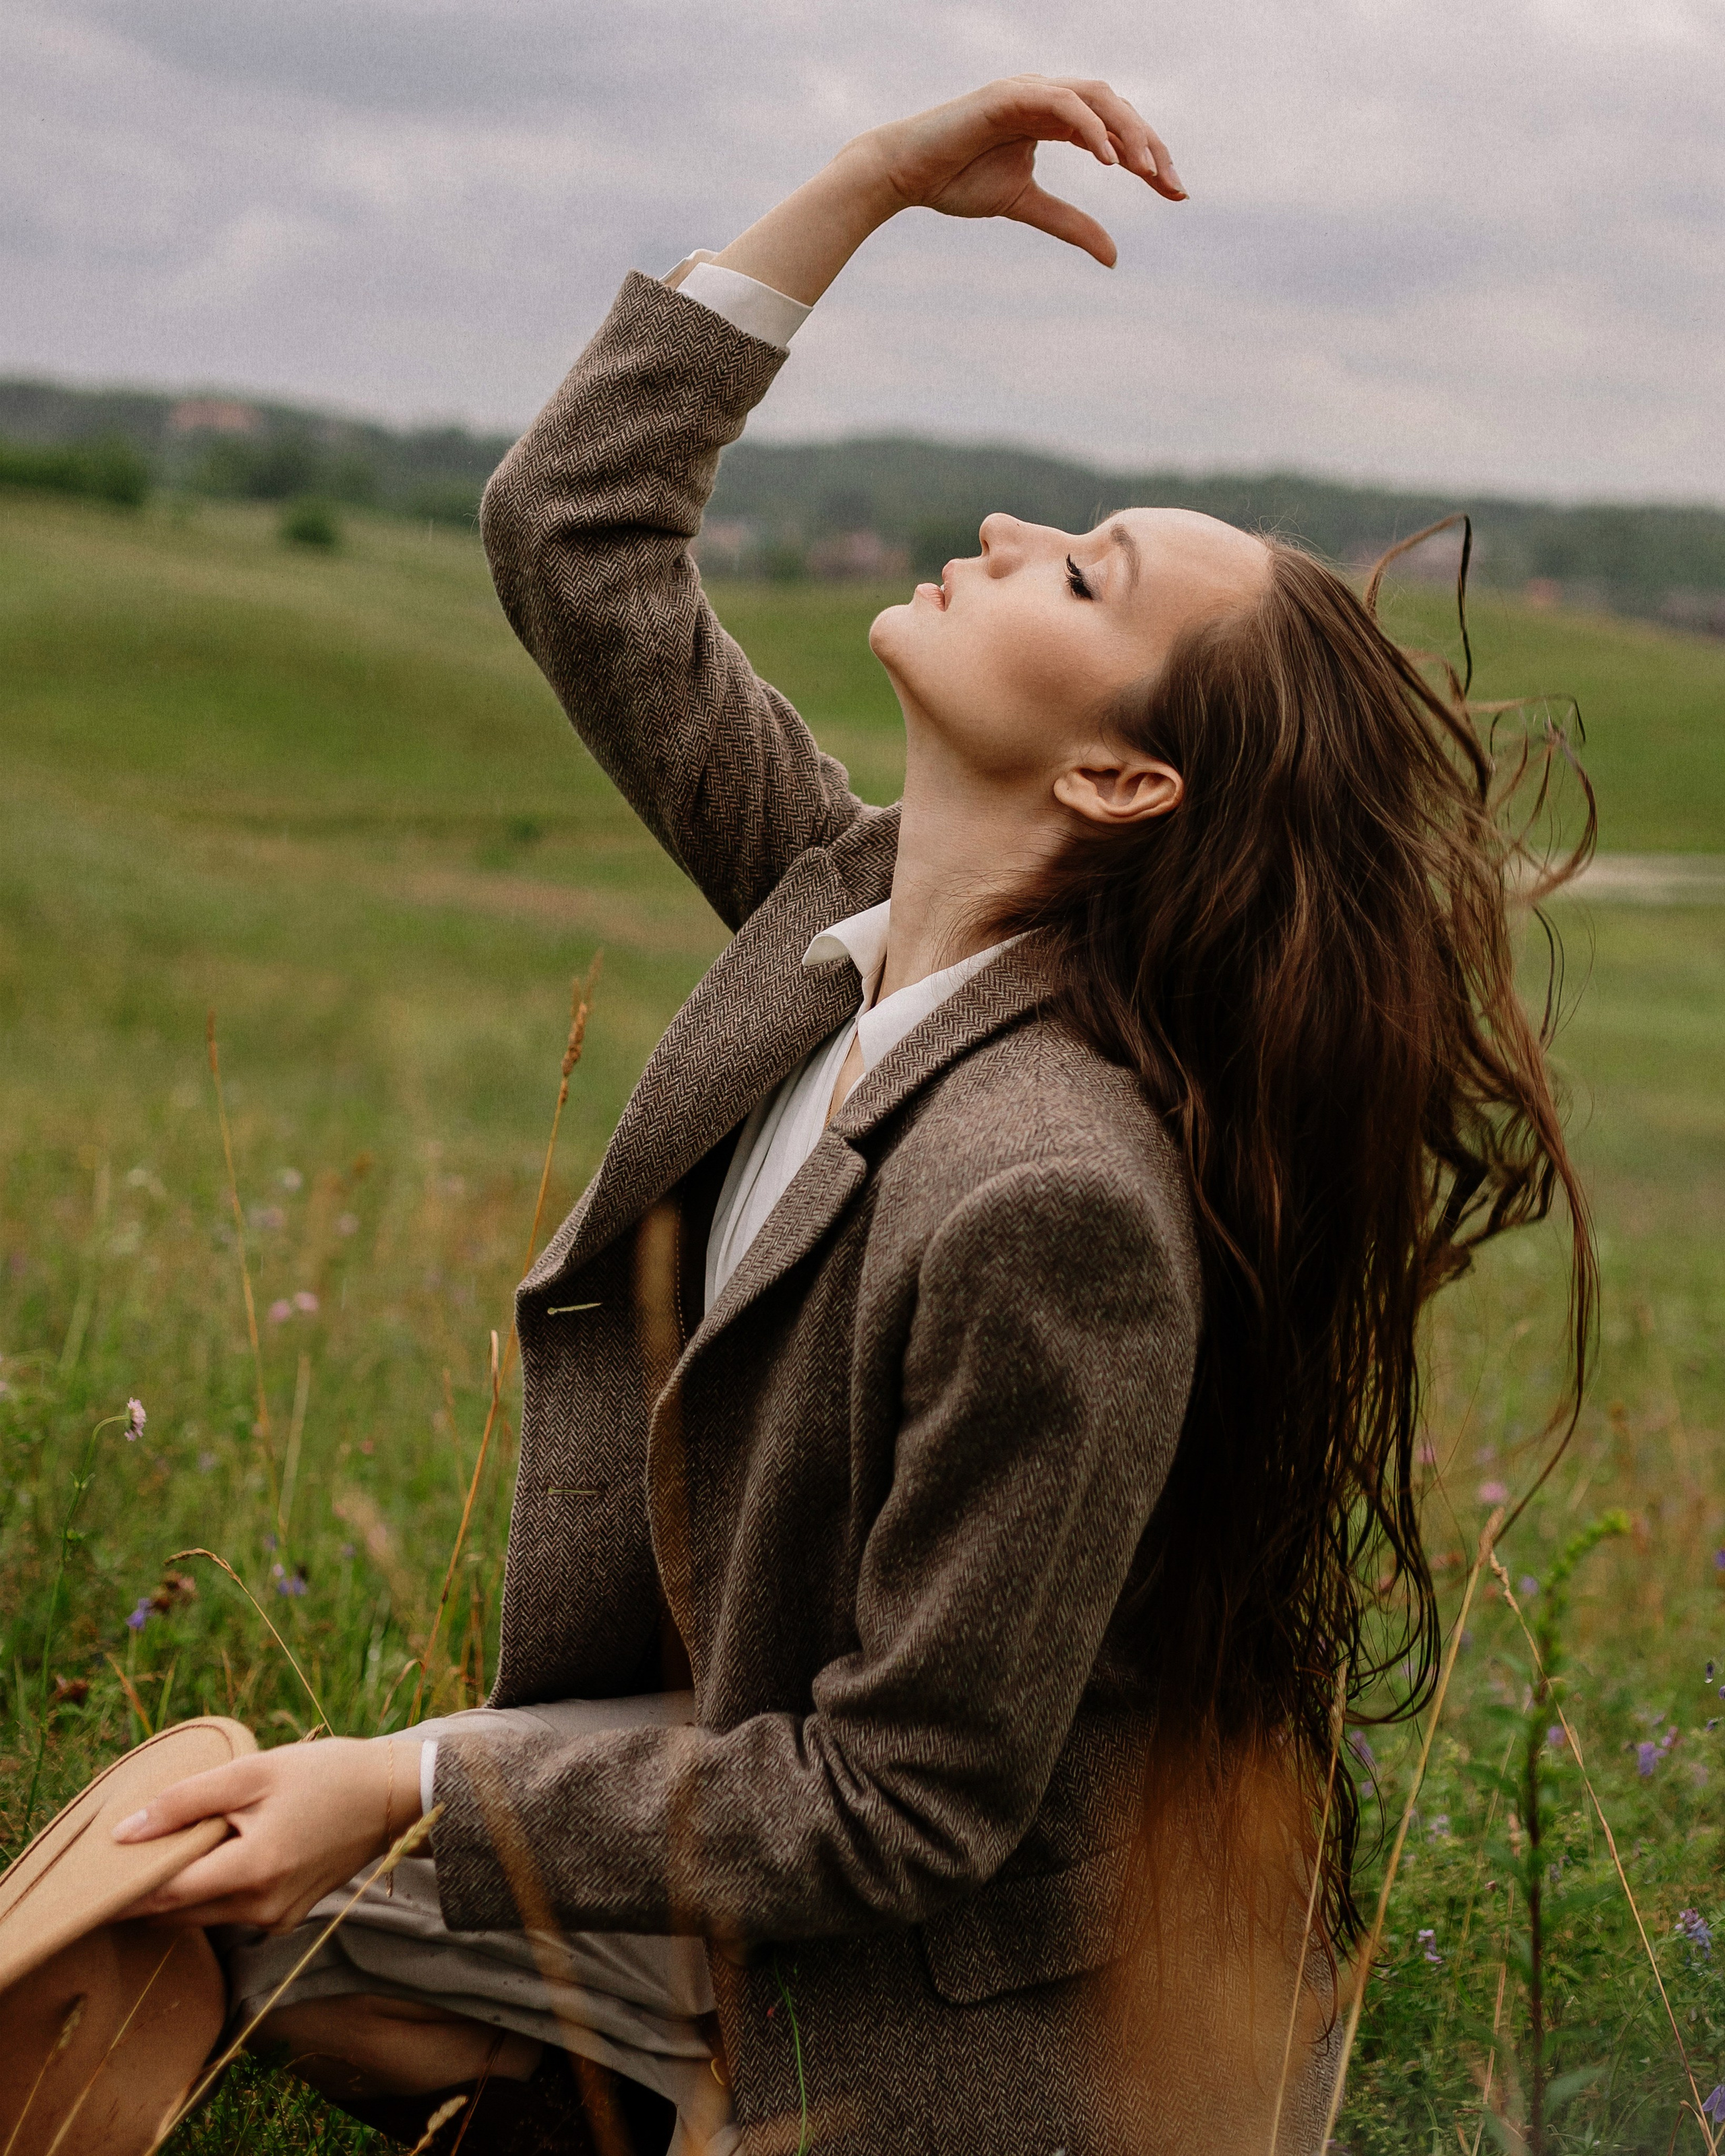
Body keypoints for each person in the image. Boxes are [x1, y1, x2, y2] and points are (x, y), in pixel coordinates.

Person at [98, 71, 1592, 2156]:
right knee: (193, 1885)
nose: (1010, 534)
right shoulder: (844, 909)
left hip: (948, 2023)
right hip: (748, 1812)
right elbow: (573, 532)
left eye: (1084, 578)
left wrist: (418, 1784)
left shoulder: (1054, 1197)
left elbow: (908, 1803)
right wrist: (870, 186)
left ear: (1120, 780)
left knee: (234, 1885)